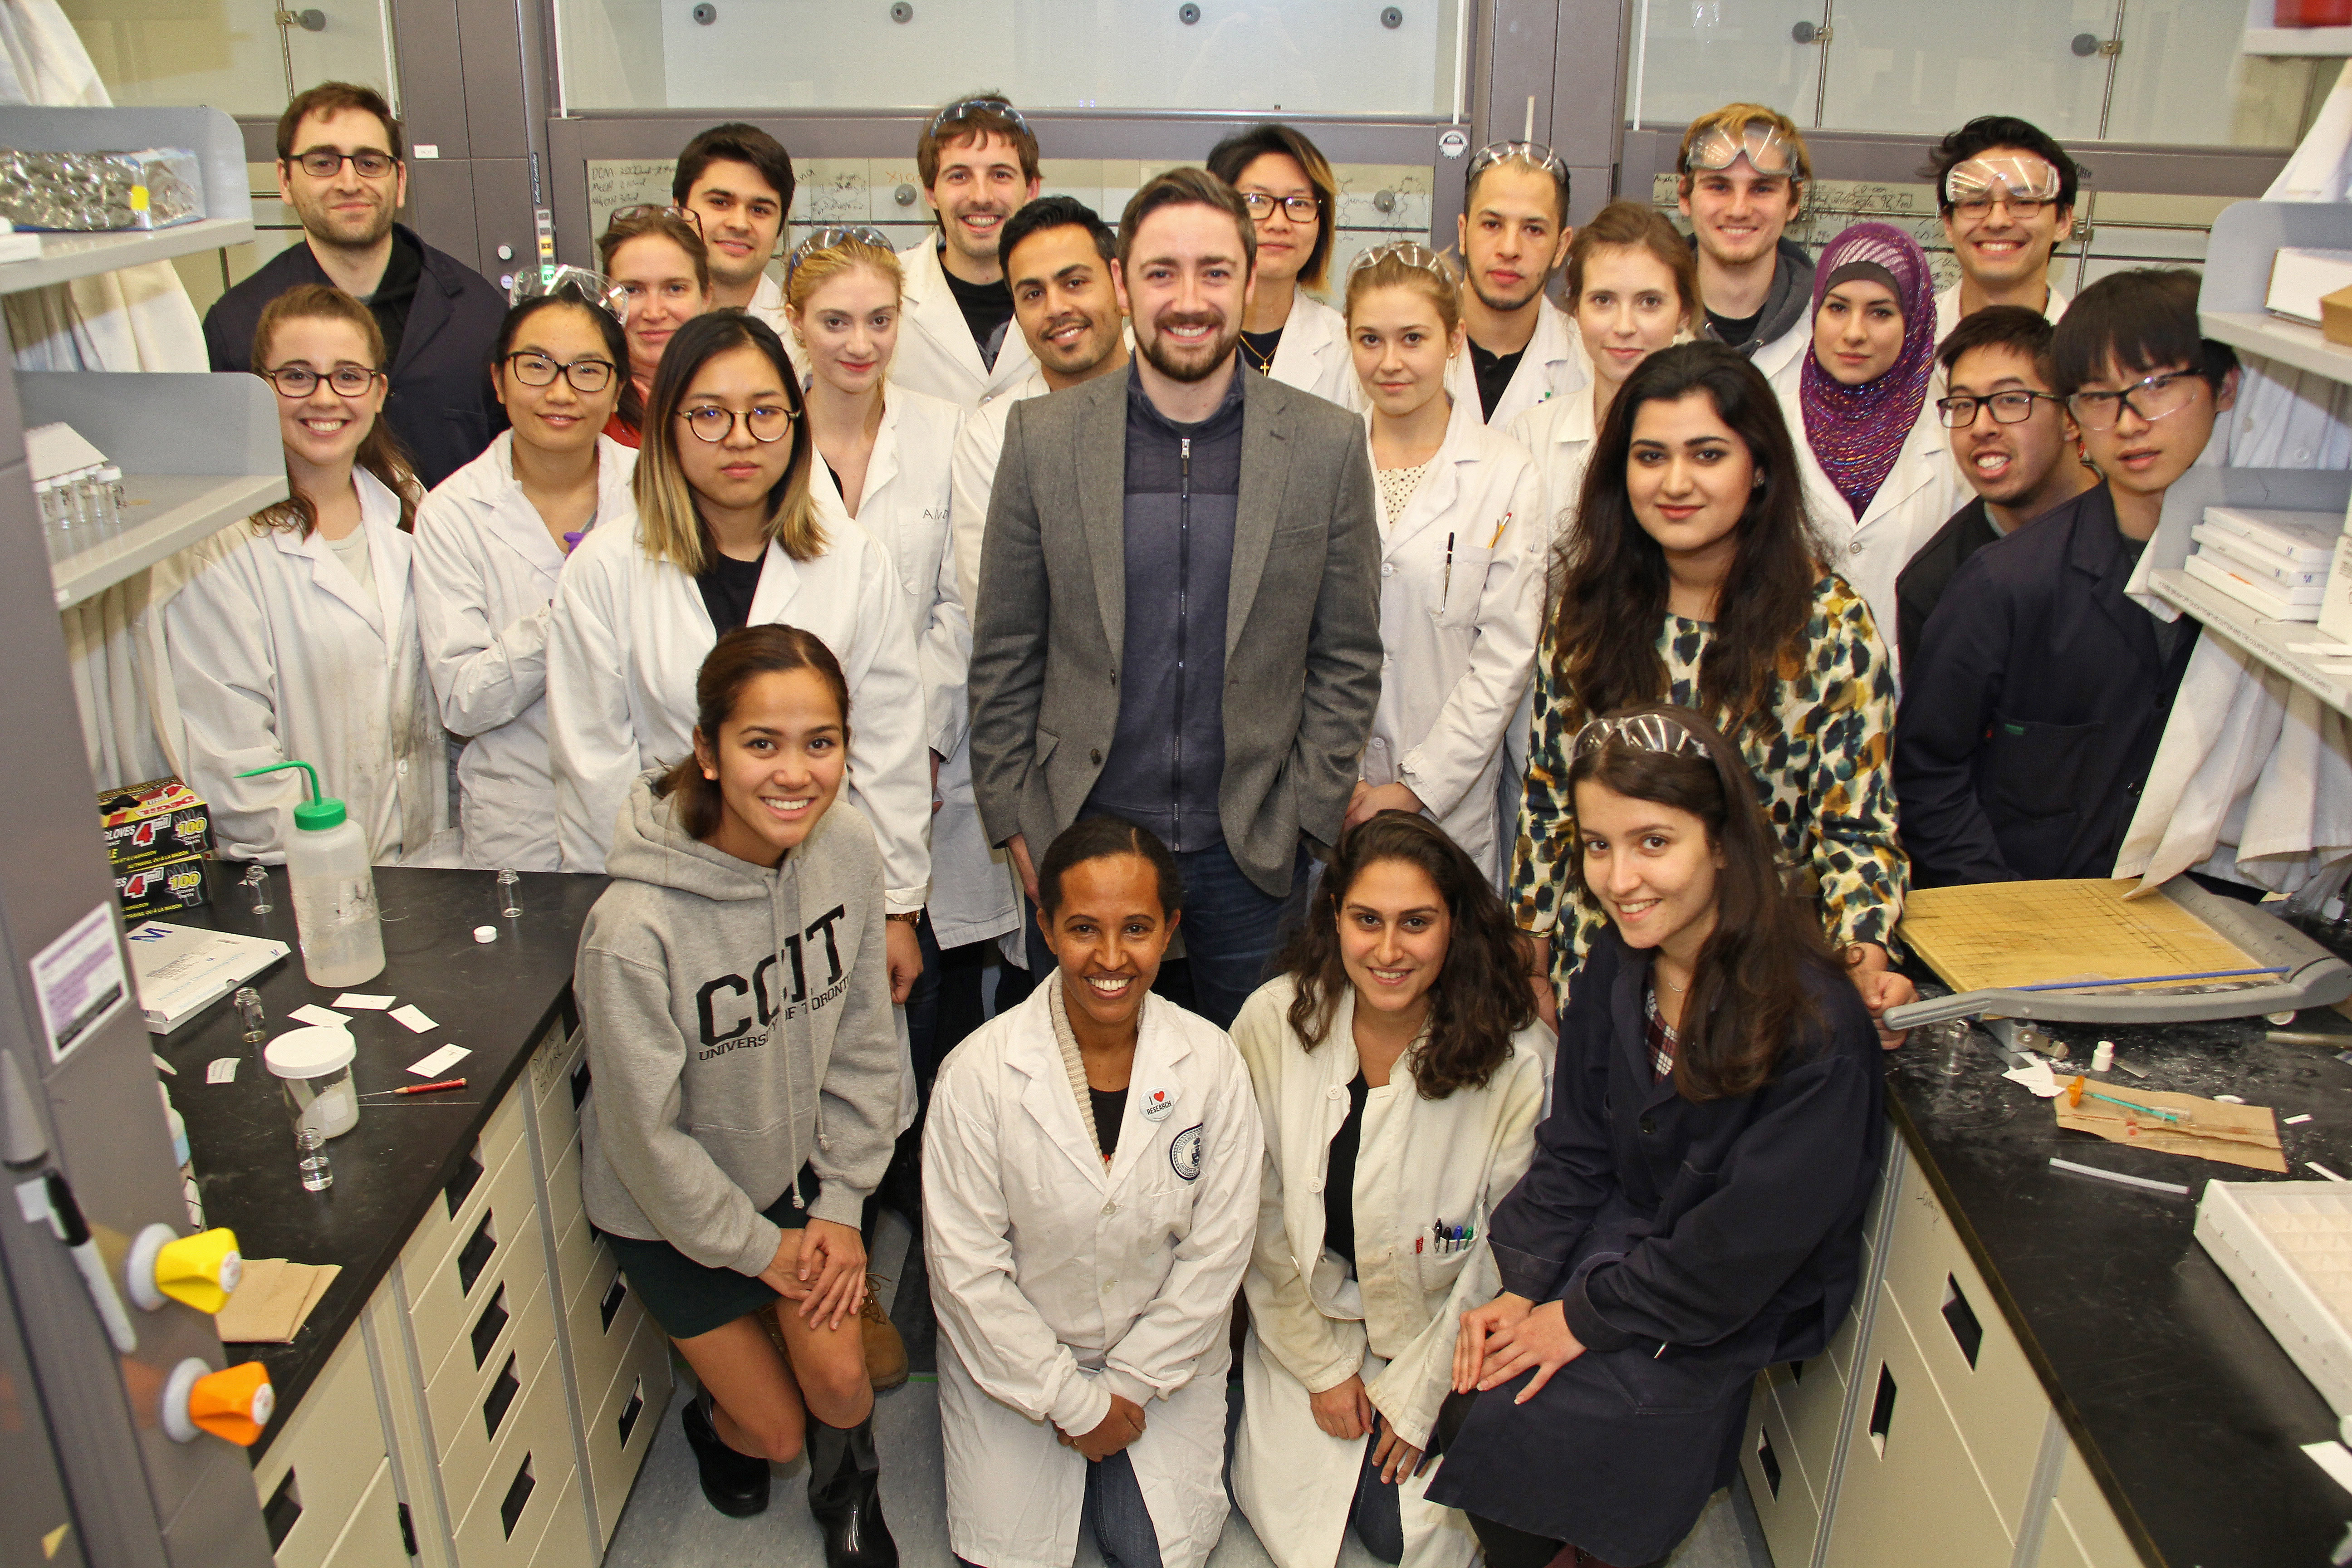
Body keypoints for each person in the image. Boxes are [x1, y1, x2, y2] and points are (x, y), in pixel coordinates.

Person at [1429, 705, 1886, 1568]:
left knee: (1533, 1432)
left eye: (1651, 842)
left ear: (1720, 843)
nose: (1618, 877)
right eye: (1596, 845)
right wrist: (1524, 1283)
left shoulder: (1812, 1028)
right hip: (1630, 1232)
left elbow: (1737, 1251)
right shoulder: (1618, 960)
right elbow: (1575, 1150)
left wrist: (1582, 1316)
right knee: (1473, 1399)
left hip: (1726, 1291)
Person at [967, 167, 1383, 1029]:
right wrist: (1013, 813)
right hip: (1082, 839)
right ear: (1122, 284)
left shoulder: (1323, 444)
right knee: (1088, 1100)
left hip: (1251, 851)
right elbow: (1006, 645)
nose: (1187, 299)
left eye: (1213, 272)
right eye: (1160, 273)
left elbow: (1345, 653)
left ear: (1251, 276)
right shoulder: (1043, 439)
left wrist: (1307, 810)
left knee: (1251, 1088)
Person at [574, 625, 899, 1565]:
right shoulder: (631, 930)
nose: (795, 773)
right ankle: (722, 1424)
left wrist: (839, 1205)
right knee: (776, 1434)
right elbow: (647, 1144)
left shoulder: (845, 848)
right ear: (708, 753)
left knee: (842, 1389)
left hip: (789, 1173)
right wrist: (766, 1254)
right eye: (762, 744)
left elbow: (866, 1042)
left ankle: (853, 1492)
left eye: (821, 742)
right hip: (663, 1205)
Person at [1510, 343, 1910, 1041]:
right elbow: (1549, 795)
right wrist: (1533, 959)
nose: (1675, 483)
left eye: (1707, 455)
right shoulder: (1587, 613)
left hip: (1763, 978)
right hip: (1606, 964)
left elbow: (1855, 827)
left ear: (1759, 469)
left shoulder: (1827, 625)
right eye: (1651, 456)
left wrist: (1865, 962)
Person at [546, 311, 931, 1022]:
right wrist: (625, 920)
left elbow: (890, 745)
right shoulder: (604, 568)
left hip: (824, 886)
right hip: (668, 897)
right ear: (667, 424)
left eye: (764, 414)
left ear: (796, 422)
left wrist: (898, 907)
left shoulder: (851, 560)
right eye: (710, 416)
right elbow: (593, 769)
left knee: (835, 1089)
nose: (741, 439)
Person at [923, 818, 1262, 1568]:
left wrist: (1130, 1387)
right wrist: (1072, 1401)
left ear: (1170, 930)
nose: (1110, 958)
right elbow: (966, 1276)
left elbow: (1218, 1253)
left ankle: (1133, 1424)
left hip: (1161, 1358)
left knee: (1146, 1551)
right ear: (1043, 926)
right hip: (1014, 1359)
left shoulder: (1211, 1063)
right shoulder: (976, 1076)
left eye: (1136, 928)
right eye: (1082, 927)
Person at [1229, 813, 1548, 1568]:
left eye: (1416, 923)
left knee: (1401, 1533)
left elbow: (1505, 1254)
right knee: (1297, 1520)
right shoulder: (1274, 1021)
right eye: (1365, 920)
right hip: (1313, 1311)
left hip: (1442, 1328)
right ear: (1332, 914)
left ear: (1455, 925)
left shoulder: (1517, 1059)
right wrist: (1320, 1368)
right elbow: (1256, 1214)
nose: (1387, 950)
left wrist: (1420, 1397)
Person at [1896, 269, 2235, 887]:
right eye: (2100, 397)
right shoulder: (2001, 584)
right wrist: (2003, 914)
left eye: (2156, 386)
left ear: (2225, 388)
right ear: (2077, 415)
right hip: (2032, 920)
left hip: (2215, 915)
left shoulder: (2269, 581)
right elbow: (1929, 773)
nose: (2130, 422)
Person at [784, 228, 1012, 1085]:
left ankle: (912, 1194)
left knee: (921, 987)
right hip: (793, 760)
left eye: (879, 320)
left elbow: (964, 602)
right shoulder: (766, 440)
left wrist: (910, 738)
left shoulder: (947, 432)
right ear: (794, 321)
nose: (859, 343)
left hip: (923, 768)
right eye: (836, 321)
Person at [166, 284, 447, 862]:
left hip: (432, 862)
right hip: (304, 874)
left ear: (378, 393)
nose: (324, 398)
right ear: (260, 390)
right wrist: (330, 870)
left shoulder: (411, 504)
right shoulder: (221, 546)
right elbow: (233, 763)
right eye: (297, 376)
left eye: (348, 376)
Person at [413, 282, 637, 871]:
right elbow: (463, 702)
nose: (560, 391)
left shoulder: (656, 491)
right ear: (498, 380)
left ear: (617, 389)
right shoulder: (453, 512)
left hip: (642, 807)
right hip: (516, 822)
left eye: (588, 371)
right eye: (536, 366)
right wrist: (575, 601)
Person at [1340, 241, 1544, 883]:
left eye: (1413, 338)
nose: (1391, 362)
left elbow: (1505, 657)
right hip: (1333, 801)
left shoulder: (1505, 472)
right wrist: (1334, 774)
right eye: (1370, 339)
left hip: (1446, 807)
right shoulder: (1323, 459)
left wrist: (1416, 786)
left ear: (1454, 340)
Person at [204, 82, 506, 488]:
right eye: (323, 162)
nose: (349, 182)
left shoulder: (479, 314)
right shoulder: (238, 326)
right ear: (285, 180)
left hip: (458, 551)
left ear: (399, 181)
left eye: (369, 162)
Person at [1778, 221, 1959, 652]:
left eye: (1881, 312)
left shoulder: (1953, 428)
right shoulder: (1766, 418)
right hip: (1788, 682)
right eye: (1838, 308)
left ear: (1914, 321)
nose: (1854, 332)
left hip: (1910, 689)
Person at [948, 195, 1130, 610]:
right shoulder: (992, 438)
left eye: (1075, 283)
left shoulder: (1180, 405)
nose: (1057, 309)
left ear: (1120, 286)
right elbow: (1000, 612)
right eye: (1032, 294)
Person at [1893, 307, 2094, 669]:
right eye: (1963, 405)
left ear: (2071, 416)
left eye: (2011, 400)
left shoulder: (2142, 534)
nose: (1981, 427)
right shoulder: (1936, 586)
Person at [1508, 201, 1702, 552]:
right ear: (1576, 308)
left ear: (1684, 313)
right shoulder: (1531, 437)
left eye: (1650, 303)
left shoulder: (1720, 437)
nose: (1624, 327)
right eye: (1603, 300)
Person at [892, 93, 1043, 411]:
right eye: (959, 176)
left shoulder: (1070, 297)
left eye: (1000, 175)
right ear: (931, 192)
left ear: (1031, 190)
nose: (981, 196)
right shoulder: (886, 292)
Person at [1205, 123, 1363, 410]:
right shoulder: (1165, 334)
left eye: (1299, 203)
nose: (1278, 223)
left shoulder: (1347, 348)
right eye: (1255, 200)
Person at [1446, 142, 1585, 429]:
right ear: (1463, 233)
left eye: (1533, 229)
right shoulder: (1398, 346)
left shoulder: (1589, 363)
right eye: (1492, 225)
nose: (1509, 249)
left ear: (1561, 247)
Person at [1676, 105, 1814, 384]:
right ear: (1685, 196)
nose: (1738, 210)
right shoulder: (1638, 326)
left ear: (1794, 201)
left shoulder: (1829, 333)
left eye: (1762, 189)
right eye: (1718, 186)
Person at [1924, 117, 2078, 344]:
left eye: (2024, 202)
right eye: (1975, 203)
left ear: (2063, 222)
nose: (1997, 221)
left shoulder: (2095, 355)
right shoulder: (1902, 343)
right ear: (1948, 223)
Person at [597, 205, 714, 446]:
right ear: (606, 299)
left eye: (674, 289)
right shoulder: (585, 406)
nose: (654, 313)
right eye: (632, 290)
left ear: (706, 297)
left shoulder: (740, 393)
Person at [674, 122, 796, 333]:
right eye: (720, 203)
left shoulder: (805, 344)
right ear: (679, 212)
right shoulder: (637, 327)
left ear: (779, 228)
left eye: (759, 210)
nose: (740, 224)